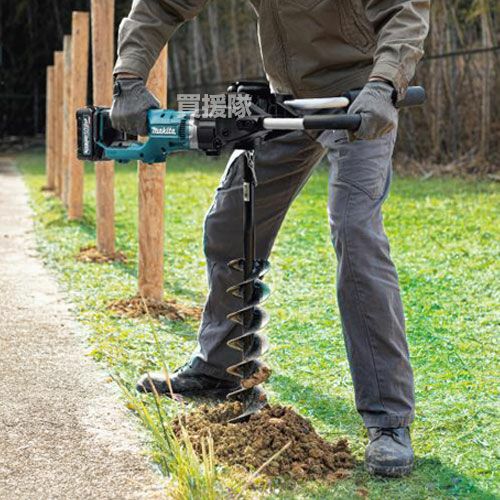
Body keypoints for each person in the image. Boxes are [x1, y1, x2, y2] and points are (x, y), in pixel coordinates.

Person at [110, 0, 429, 478]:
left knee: (355, 230)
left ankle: (389, 419)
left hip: (359, 99)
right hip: (285, 100)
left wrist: (385, 85)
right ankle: (220, 366)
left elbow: (403, 11)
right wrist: (129, 78)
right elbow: (161, 4)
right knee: (229, 223)